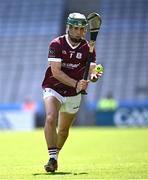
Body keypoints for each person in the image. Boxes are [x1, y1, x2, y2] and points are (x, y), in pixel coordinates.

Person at [41, 12, 102, 173]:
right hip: (53, 88)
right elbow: (56, 72)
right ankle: (52, 157)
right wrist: (76, 83)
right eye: (76, 28)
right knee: (50, 118)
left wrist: (94, 76)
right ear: (68, 27)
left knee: (63, 130)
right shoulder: (57, 44)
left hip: (73, 95)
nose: (80, 32)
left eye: (83, 29)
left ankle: (55, 156)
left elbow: (92, 70)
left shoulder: (88, 48)